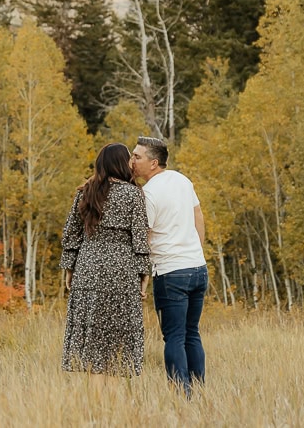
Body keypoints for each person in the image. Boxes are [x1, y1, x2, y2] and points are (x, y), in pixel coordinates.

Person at [60, 142, 150, 379]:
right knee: (117, 336)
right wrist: (144, 275)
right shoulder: (133, 194)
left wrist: (70, 268)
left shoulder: (85, 192)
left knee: (92, 336)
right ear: (122, 164)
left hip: (88, 267)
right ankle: (110, 404)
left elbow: (71, 234)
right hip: (121, 270)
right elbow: (139, 239)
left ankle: (95, 401)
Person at [130, 135, 207, 396]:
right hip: (198, 268)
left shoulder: (148, 194)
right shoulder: (182, 180)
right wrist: (196, 251)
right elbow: (198, 215)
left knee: (174, 337)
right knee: (191, 333)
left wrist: (142, 274)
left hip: (171, 273)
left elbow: (145, 237)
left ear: (153, 163)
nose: (131, 161)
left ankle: (181, 396)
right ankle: (199, 393)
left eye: (136, 156)